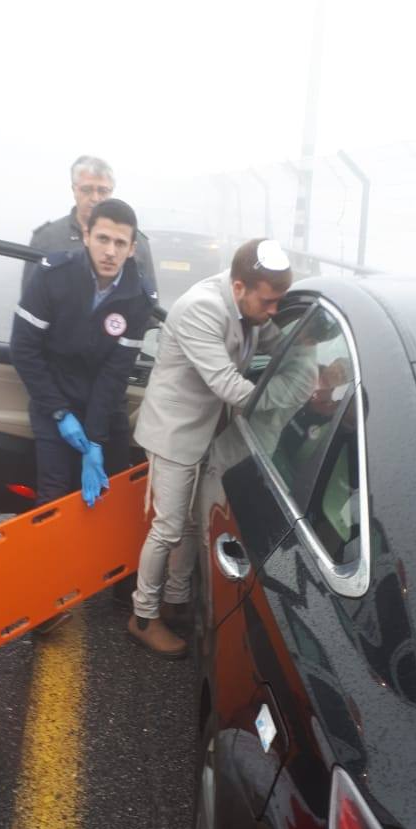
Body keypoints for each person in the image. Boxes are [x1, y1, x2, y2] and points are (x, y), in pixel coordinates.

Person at [128, 238, 293, 658]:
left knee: (187, 524)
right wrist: (292, 396)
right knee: (168, 527)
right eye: (269, 301)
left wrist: (309, 353)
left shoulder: (249, 307)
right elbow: (227, 385)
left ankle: (177, 600)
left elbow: (279, 342)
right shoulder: (204, 307)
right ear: (240, 287)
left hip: (205, 429)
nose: (273, 311)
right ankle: (143, 616)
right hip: (175, 431)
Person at [11, 197, 156, 633]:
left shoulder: (138, 296)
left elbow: (116, 373)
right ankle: (43, 605)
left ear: (132, 248)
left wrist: (93, 439)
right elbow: (24, 349)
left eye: (120, 242)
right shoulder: (52, 275)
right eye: (103, 238)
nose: (110, 250)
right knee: (53, 499)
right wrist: (58, 413)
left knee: (116, 497)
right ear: (87, 236)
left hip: (101, 403)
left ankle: (118, 588)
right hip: (53, 397)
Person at [24, 154, 156, 289]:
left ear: (111, 191)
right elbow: (29, 298)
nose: (95, 197)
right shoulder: (47, 238)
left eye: (102, 191)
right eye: (86, 190)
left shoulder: (137, 243)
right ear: (74, 189)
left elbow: (149, 304)